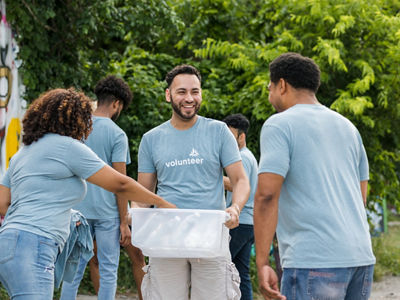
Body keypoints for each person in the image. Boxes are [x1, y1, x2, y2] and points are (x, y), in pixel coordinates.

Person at [0, 88, 175, 300]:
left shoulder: (23, 153)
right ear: (77, 119)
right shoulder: (67, 147)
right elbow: (119, 183)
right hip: (36, 244)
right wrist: (161, 202)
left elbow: (3, 203)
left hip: (8, 243)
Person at [254, 52, 375, 300]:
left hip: (314, 260)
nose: (270, 95)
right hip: (360, 258)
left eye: (270, 88)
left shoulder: (279, 124)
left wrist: (262, 262)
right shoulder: (348, 127)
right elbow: (360, 199)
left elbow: (266, 195)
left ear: (282, 85)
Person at [137, 64, 250, 300]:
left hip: (211, 237)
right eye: (181, 92)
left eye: (195, 91)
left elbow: (240, 181)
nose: (189, 98)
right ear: (168, 95)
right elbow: (143, 194)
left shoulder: (219, 132)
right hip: (165, 238)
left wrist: (235, 207)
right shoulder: (151, 139)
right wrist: (134, 216)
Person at [60, 76, 146, 300]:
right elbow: (120, 182)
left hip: (77, 212)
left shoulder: (76, 129)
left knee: (73, 271)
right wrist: (124, 221)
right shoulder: (117, 134)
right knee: (108, 270)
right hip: (108, 214)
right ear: (117, 103)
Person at [223, 113, 258, 300]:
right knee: (241, 272)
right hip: (248, 224)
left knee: (220, 269)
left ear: (241, 136)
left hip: (239, 222)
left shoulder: (242, 158)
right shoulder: (248, 156)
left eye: (230, 136)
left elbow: (235, 183)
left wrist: (211, 178)